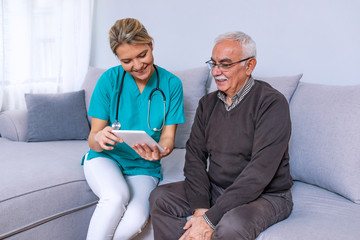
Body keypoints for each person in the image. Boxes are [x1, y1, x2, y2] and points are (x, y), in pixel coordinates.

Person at [149, 31, 293, 240]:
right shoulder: (207, 104)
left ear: (249, 66)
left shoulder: (271, 104)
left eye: (225, 64)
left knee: (231, 225)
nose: (216, 72)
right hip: (218, 188)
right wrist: (200, 208)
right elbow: (195, 156)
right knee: (161, 198)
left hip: (266, 195)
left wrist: (210, 219)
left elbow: (259, 173)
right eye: (213, 64)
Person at [82, 18, 185, 240]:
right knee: (115, 197)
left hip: (144, 166)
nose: (137, 66)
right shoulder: (109, 80)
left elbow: (168, 137)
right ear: (118, 59)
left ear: (151, 45)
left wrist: (161, 151)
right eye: (127, 61)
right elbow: (92, 139)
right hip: (106, 159)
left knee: (136, 218)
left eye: (142, 55)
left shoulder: (171, 84)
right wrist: (100, 137)